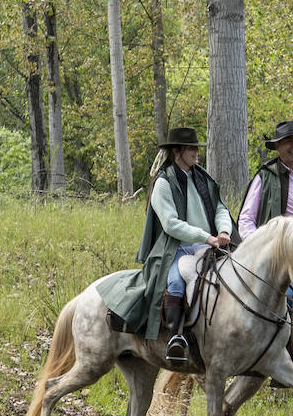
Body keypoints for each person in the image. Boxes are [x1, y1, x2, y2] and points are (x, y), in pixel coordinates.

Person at [96, 126, 233, 367]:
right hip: (174, 249)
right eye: (191, 149)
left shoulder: (202, 178)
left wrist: (223, 230)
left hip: (208, 246)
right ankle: (175, 338)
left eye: (196, 148)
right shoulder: (163, 183)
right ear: (177, 151)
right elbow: (171, 224)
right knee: (176, 282)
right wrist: (206, 237)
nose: (196, 153)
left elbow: (221, 208)